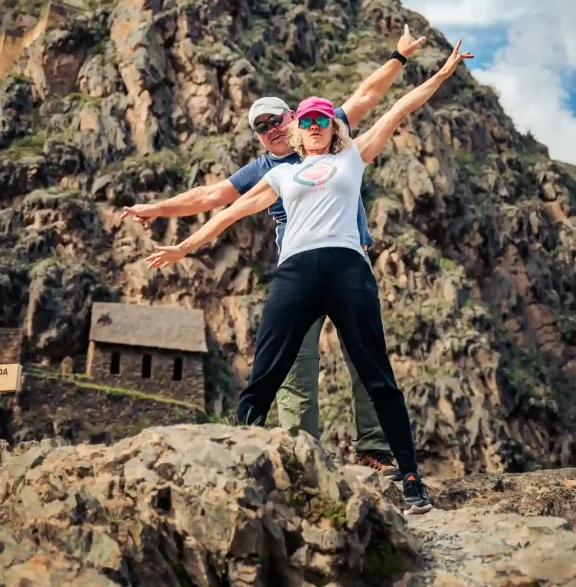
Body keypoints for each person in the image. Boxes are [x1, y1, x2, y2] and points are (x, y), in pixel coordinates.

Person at [144, 39, 473, 515]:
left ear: (327, 126)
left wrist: (440, 73)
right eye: (310, 120)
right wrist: (184, 246)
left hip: (347, 268)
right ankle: (234, 455)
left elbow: (394, 107)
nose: (317, 125)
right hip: (295, 272)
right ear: (295, 132)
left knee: (377, 374)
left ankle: (411, 479)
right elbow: (227, 210)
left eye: (323, 119)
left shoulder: (352, 156)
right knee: (268, 371)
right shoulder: (276, 175)